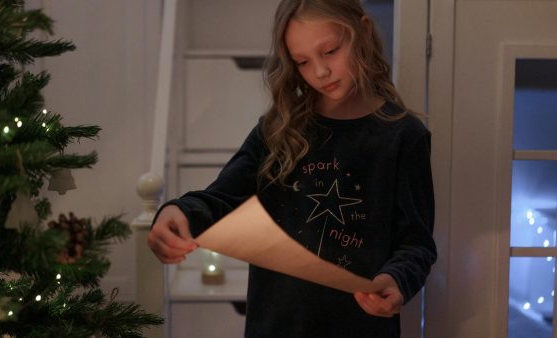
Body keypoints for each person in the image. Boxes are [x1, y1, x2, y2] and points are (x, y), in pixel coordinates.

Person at [148, 0, 437, 337]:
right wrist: (179, 211)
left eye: (329, 51)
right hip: (275, 327)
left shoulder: (404, 136)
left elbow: (416, 244)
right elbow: (221, 198)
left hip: (361, 328)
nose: (320, 71)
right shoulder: (277, 130)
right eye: (302, 61)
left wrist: (396, 280)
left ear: (364, 31)